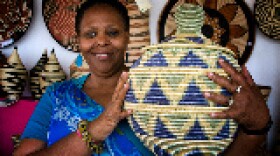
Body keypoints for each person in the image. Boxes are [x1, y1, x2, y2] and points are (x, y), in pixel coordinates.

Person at [14, 0, 272, 155]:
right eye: (90, 34)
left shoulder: (164, 90)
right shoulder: (57, 94)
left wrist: (257, 127)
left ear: (127, 37)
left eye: (112, 32)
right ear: (78, 41)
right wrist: (95, 129)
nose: (101, 41)